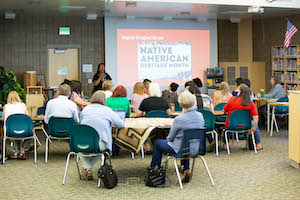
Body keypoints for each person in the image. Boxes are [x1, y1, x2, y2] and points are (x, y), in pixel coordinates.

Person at [150, 91, 205, 182]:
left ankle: (154, 171)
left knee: (158, 143)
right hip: (196, 149)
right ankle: (186, 169)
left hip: (181, 149)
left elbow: (170, 137)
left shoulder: (179, 119)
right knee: (186, 142)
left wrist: (168, 140)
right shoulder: (200, 116)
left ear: (180, 102)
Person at [79, 91, 125, 179]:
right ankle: (88, 167)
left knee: (81, 149)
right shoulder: (107, 110)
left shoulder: (85, 109)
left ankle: (88, 168)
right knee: (102, 149)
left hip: (83, 142)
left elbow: (81, 123)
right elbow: (121, 124)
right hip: (99, 144)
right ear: (104, 100)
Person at [223, 84, 263, 150]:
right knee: (253, 123)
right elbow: (255, 117)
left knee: (225, 126)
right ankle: (257, 144)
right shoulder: (251, 103)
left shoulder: (232, 100)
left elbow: (224, 110)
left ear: (240, 92)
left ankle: (225, 145)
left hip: (231, 125)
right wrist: (254, 127)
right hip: (246, 125)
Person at [2, 91, 31, 159]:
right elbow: (27, 117)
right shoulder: (23, 105)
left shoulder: (6, 106)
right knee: (30, 135)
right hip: (23, 129)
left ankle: (15, 153)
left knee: (14, 131)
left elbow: (3, 119)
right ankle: (22, 151)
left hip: (10, 131)